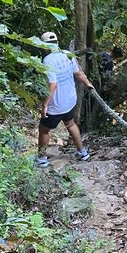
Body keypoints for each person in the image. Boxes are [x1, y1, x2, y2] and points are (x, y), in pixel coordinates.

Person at [37, 31, 94, 168]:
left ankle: (42, 159)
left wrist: (45, 105)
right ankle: (83, 153)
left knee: (44, 130)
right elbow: (78, 72)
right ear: (57, 42)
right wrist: (87, 83)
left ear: (44, 45)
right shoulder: (67, 54)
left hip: (56, 105)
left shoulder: (48, 60)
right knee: (71, 124)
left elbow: (53, 84)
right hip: (70, 101)